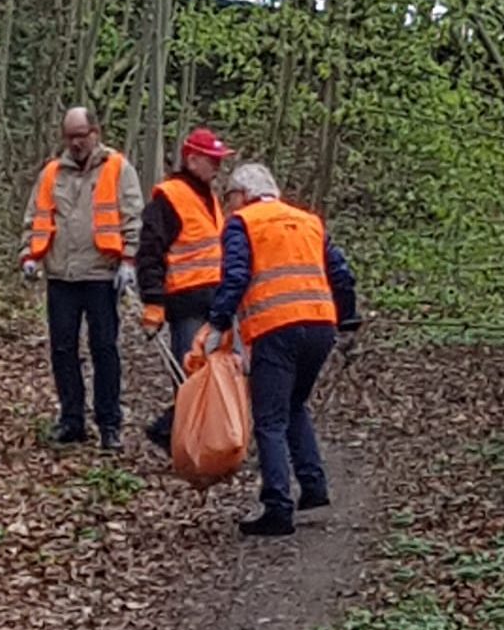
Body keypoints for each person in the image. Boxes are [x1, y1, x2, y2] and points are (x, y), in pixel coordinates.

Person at [205, 163, 360, 537]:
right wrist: (348, 317)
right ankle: (313, 486)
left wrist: (218, 322)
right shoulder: (307, 221)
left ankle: (277, 506)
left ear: (242, 194)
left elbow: (237, 275)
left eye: (229, 198)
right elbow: (341, 273)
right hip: (321, 325)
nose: (229, 206)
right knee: (294, 405)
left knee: (270, 417)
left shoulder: (243, 223)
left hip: (276, 328)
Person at [19, 107, 143, 451]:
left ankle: (109, 424)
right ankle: (71, 420)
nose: (75, 143)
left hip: (102, 274)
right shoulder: (51, 174)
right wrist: (29, 255)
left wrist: (128, 261)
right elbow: (35, 218)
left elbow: (132, 215)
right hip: (61, 275)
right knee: (62, 350)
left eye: (81, 135)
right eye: (70, 136)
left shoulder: (118, 168)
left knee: (104, 349)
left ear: (95, 132)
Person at [136, 127, 235, 451]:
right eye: (213, 160)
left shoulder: (208, 197)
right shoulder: (169, 197)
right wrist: (153, 303)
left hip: (215, 301)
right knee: (190, 376)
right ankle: (178, 438)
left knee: (213, 376)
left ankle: (190, 438)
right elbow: (149, 254)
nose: (218, 167)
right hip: (187, 302)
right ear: (192, 160)